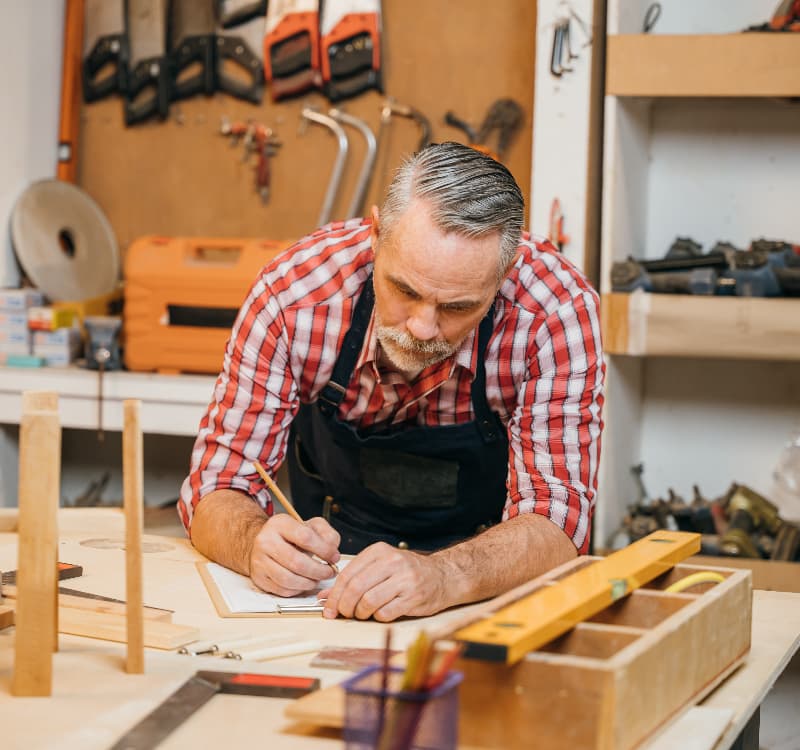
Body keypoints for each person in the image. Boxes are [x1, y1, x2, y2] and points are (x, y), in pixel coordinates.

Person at [179, 142, 605, 623]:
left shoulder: (555, 314)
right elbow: (215, 487)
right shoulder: (294, 297)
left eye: (457, 307)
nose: (423, 327)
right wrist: (253, 542)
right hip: (327, 588)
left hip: (483, 593)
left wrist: (444, 576)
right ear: (377, 234)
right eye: (405, 290)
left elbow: (559, 522)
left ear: (504, 274)